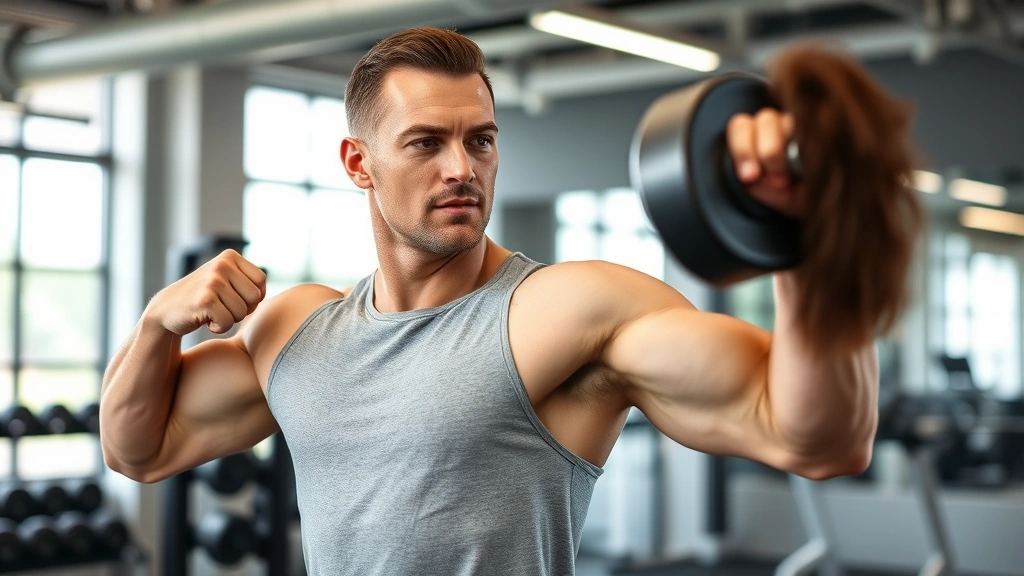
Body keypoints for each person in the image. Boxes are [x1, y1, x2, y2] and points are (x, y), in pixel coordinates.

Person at [100, 27, 878, 575]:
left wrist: (810, 245)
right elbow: (139, 449)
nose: (461, 168)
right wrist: (155, 326)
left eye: (480, 140)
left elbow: (815, 437)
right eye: (426, 142)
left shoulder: (568, 312)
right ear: (357, 162)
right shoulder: (298, 329)